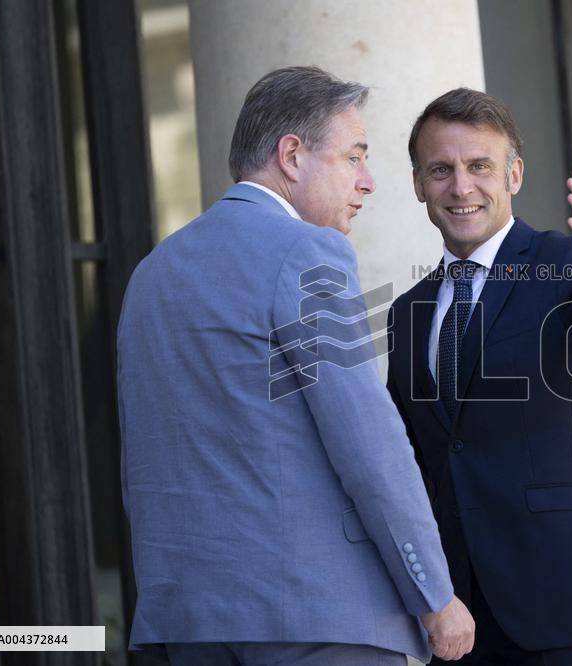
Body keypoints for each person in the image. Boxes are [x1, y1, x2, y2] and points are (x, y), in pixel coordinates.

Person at [116, 66, 474, 665]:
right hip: (316, 621)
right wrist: (433, 595)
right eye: (354, 157)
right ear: (291, 155)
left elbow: (146, 457)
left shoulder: (152, 273)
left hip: (185, 623)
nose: (369, 182)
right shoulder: (308, 251)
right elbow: (369, 446)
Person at [385, 87, 572, 665]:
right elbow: (414, 453)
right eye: (440, 170)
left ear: (515, 175)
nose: (461, 187)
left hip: (570, 597)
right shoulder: (408, 311)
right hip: (459, 614)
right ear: (418, 185)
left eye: (479, 166)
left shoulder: (565, 264)